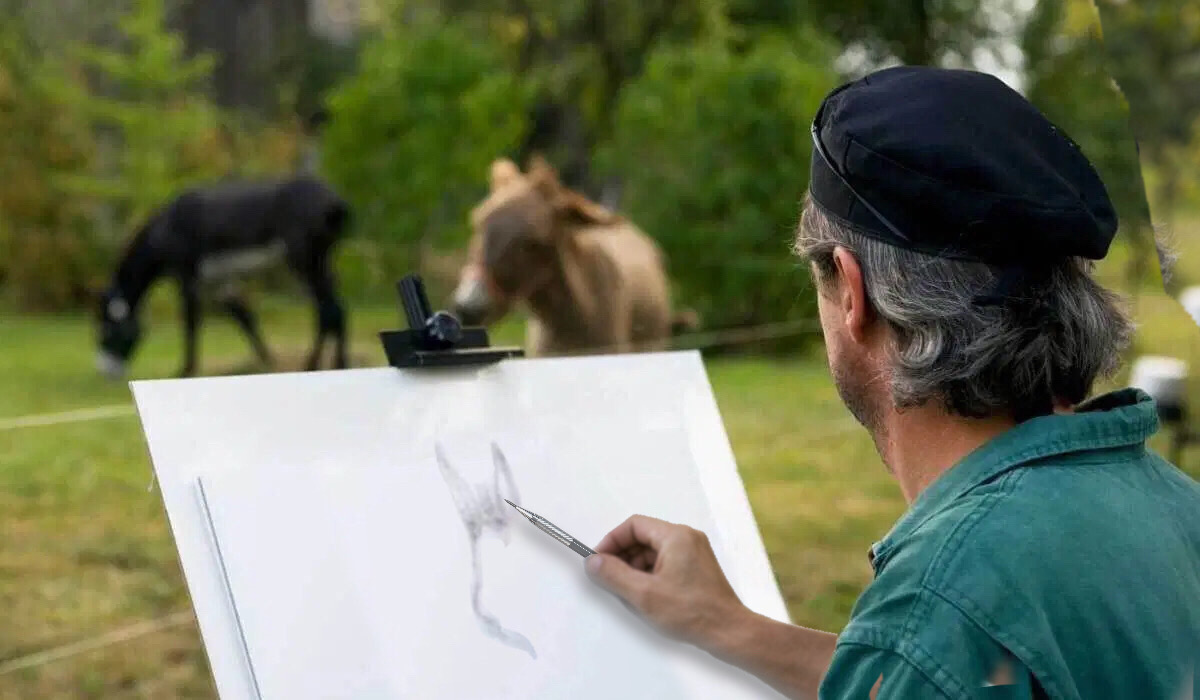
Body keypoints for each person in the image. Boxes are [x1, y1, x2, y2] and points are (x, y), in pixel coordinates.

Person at [583, 65, 1200, 699]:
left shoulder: (948, 602)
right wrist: (725, 624)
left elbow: (939, 658)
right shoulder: (1174, 506)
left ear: (852, 292)